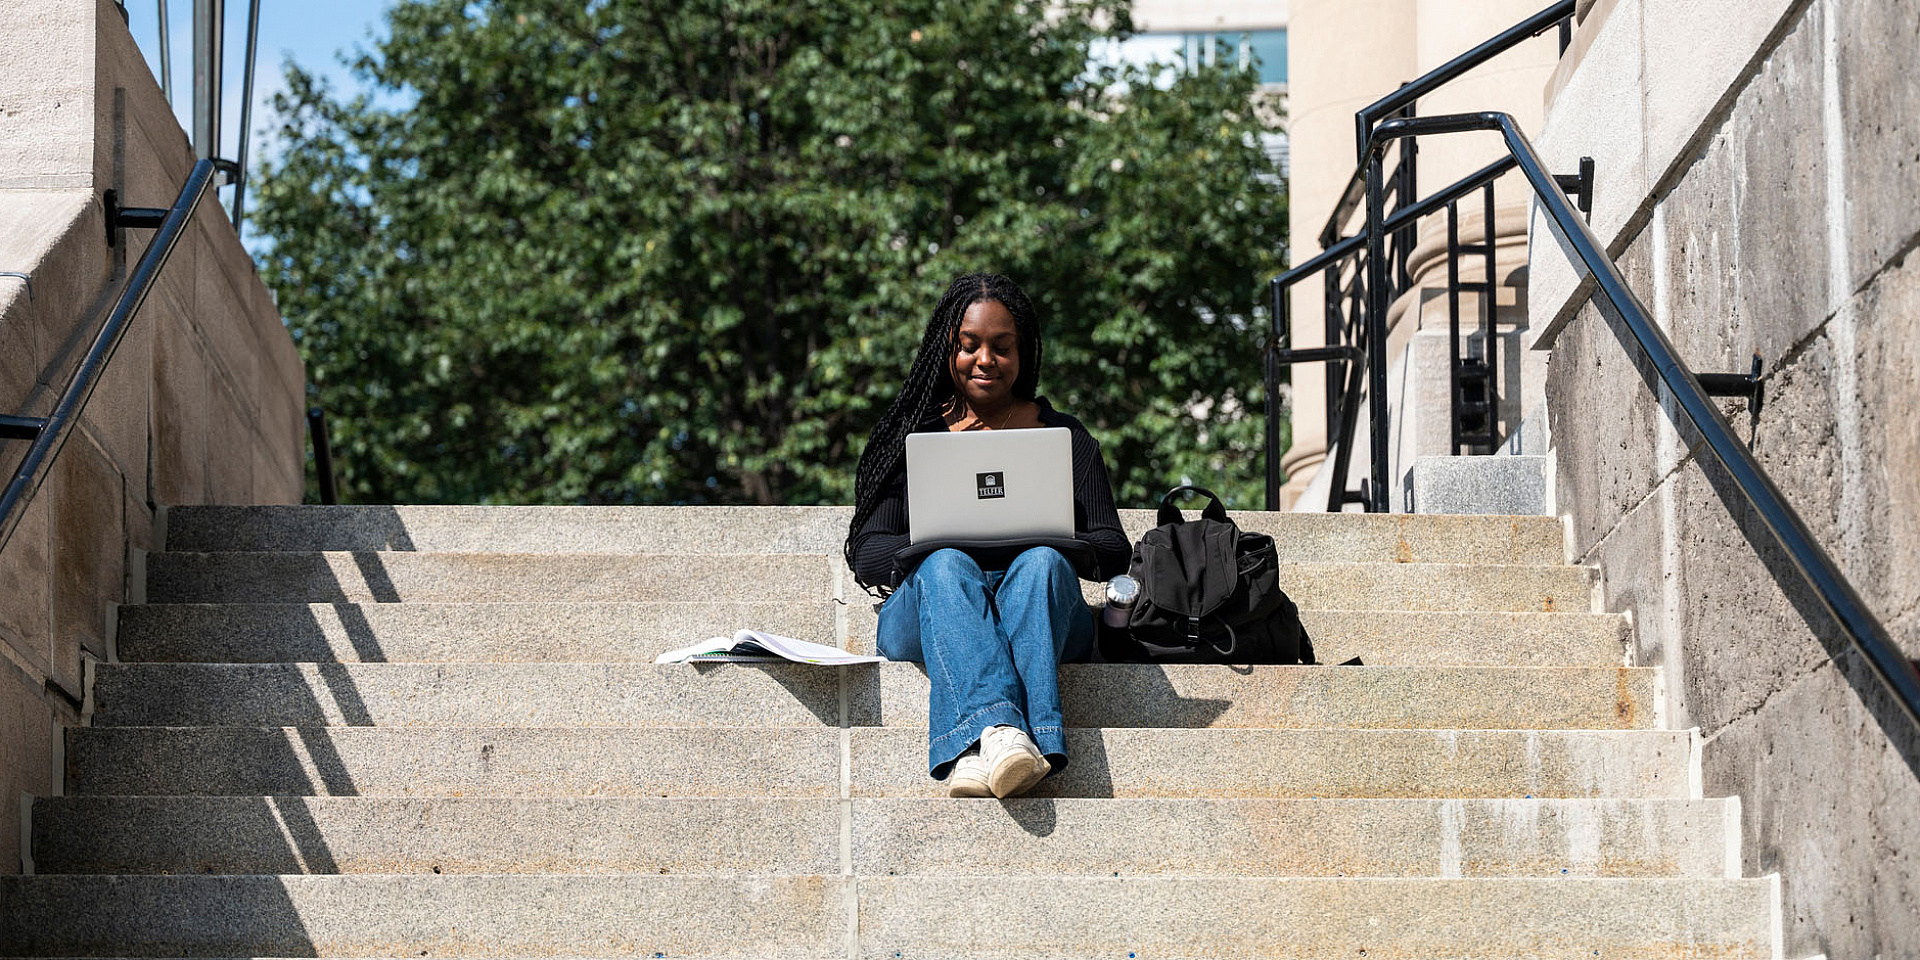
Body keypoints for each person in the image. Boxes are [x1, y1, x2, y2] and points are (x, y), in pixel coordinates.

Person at [844, 273, 1130, 799]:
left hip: (1039, 604)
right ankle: (1015, 734)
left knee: (1041, 561)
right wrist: (941, 547)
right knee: (948, 563)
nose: (985, 360)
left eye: (1002, 347)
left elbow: (1114, 549)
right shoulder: (913, 434)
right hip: (937, 602)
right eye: (968, 346)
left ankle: (984, 747)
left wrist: (1049, 540)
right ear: (945, 349)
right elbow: (867, 552)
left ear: (1023, 354)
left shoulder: (1064, 437)